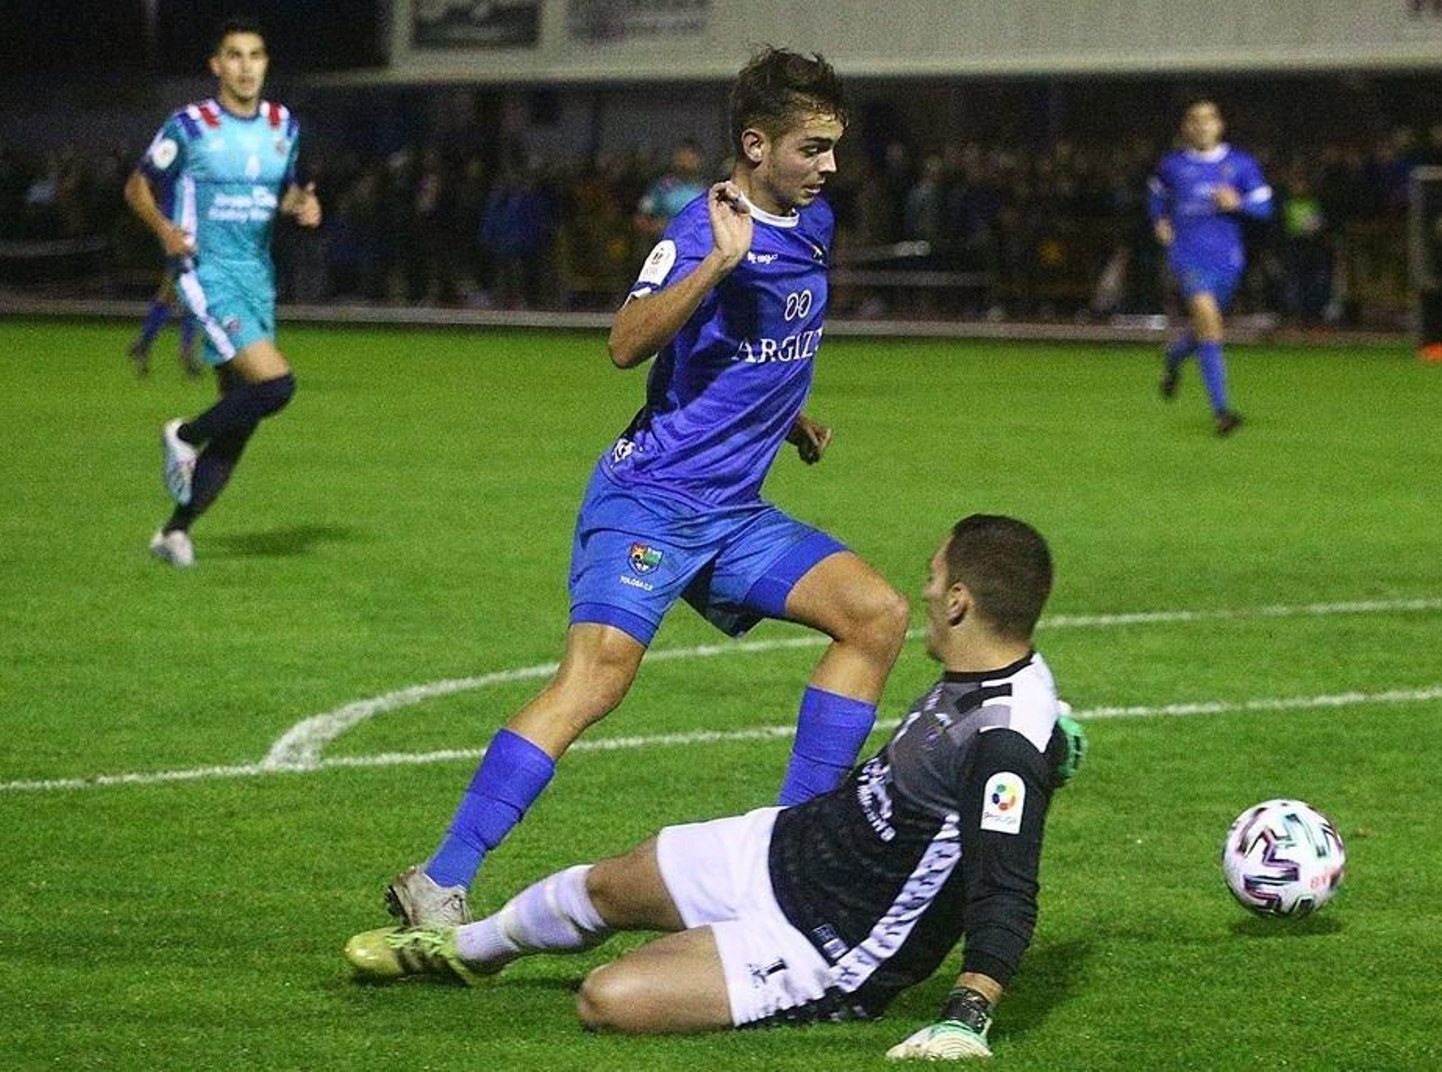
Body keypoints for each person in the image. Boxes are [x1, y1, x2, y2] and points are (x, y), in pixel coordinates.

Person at [385, 47, 909, 929]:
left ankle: (789, 853)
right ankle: (438, 880)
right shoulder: (701, 231)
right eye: (812, 148)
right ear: (755, 143)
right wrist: (714, 267)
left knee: (877, 616)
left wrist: (791, 417)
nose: (829, 166)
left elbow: (749, 351)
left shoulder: (812, 223)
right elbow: (626, 343)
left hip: (734, 514)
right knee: (595, 682)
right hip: (653, 504)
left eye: (832, 148)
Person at [347, 515, 1085, 1060]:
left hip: (825, 944)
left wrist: (966, 1014)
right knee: (611, 885)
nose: (921, 589)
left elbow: (1007, 885)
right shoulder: (1002, 688)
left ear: (959, 601)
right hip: (789, 847)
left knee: (609, 998)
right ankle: (461, 951)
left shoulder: (1005, 743)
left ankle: (725, 959)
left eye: (932, 576)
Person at [123, 15, 320, 568]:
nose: (245, 67)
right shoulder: (190, 125)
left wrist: (302, 206)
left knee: (241, 416)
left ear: (265, 64)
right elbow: (137, 186)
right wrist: (165, 232)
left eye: (255, 55)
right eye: (234, 55)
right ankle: (181, 433)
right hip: (205, 271)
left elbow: (284, 194)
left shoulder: (283, 125)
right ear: (216, 66)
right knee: (277, 386)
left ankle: (175, 531)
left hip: (256, 277)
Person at [1147, 99, 1272, 436]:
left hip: (1227, 258)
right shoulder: (1173, 166)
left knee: (1207, 329)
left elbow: (1266, 207)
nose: (1202, 125)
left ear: (1220, 125)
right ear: (1186, 128)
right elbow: (1155, 195)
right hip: (1188, 256)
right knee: (1208, 321)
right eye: (1194, 120)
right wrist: (1159, 221)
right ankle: (1222, 412)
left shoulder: (1240, 164)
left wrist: (1239, 203)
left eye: (1208, 119)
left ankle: (1173, 358)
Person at [128, 273, 201, 378]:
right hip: (185, 263)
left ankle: (143, 344)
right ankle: (186, 350)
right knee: (169, 300)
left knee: (188, 304)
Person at [633, 139, 708, 238]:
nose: (685, 163)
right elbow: (640, 219)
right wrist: (658, 227)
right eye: (682, 158)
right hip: (667, 248)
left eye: (690, 158)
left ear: (699, 160)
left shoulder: (707, 191)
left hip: (700, 250)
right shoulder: (661, 188)